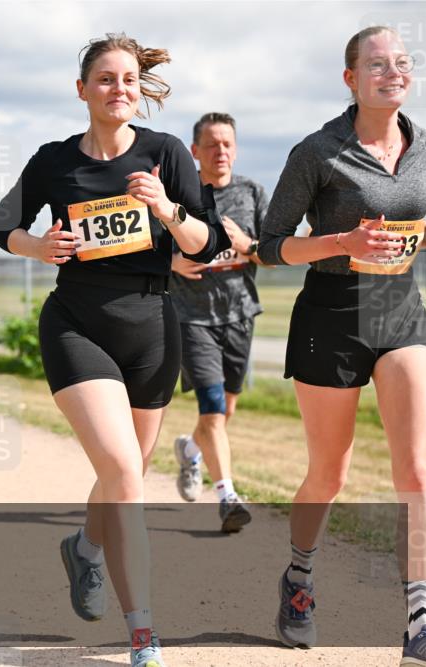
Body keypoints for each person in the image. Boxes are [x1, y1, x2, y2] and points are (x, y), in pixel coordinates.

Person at [0, 34, 227, 667]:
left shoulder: (166, 153)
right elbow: (0, 225)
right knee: (124, 472)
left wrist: (169, 210)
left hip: (152, 327)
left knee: (125, 474)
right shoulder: (54, 161)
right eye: (104, 79)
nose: (118, 88)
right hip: (77, 323)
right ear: (82, 90)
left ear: (138, 89)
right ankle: (143, 633)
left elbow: (205, 243)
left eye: (128, 79)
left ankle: (86, 549)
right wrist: (36, 247)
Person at [258, 27, 426, 661]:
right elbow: (269, 246)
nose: (394, 72)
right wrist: (341, 243)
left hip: (399, 309)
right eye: (377, 64)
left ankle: (419, 613)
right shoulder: (318, 151)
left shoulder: (424, 148)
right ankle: (299, 578)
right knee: (328, 475)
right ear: (351, 78)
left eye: (403, 63)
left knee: (416, 468)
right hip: (329, 314)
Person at [169, 112, 269, 533]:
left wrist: (248, 246)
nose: (220, 151)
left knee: (225, 410)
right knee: (211, 407)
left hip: (240, 314)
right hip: (192, 317)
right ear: (195, 151)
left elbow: (276, 252)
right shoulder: (178, 194)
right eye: (211, 144)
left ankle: (190, 451)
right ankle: (228, 496)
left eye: (227, 143)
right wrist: (170, 261)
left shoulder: (251, 193)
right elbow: (145, 248)